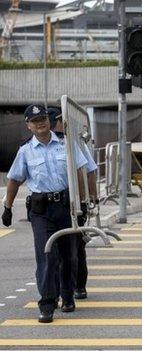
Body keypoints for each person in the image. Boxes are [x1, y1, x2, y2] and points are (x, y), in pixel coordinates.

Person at [2, 104, 88, 323]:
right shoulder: (25, 151)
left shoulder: (66, 144)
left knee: (69, 255)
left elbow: (79, 171)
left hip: (66, 206)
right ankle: (47, 303)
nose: (40, 123)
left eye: (43, 119)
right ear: (28, 125)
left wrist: (82, 203)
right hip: (41, 210)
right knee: (46, 255)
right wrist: (7, 207)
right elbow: (14, 179)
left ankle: (67, 297)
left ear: (49, 121)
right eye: (35, 121)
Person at [48, 107, 97, 300]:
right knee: (54, 251)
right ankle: (59, 289)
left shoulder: (73, 142)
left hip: (76, 201)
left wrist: (89, 198)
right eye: (57, 122)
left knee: (75, 248)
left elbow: (90, 169)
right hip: (53, 204)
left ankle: (79, 285)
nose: (60, 125)